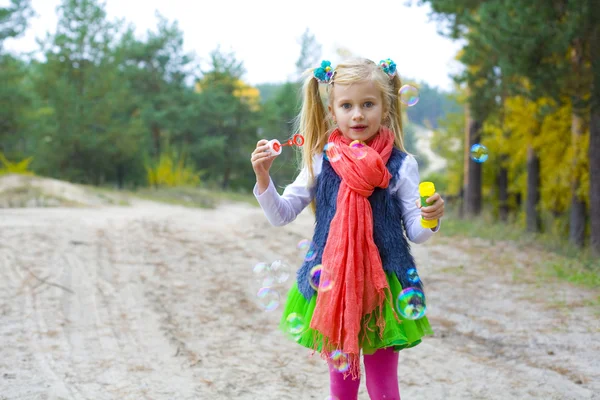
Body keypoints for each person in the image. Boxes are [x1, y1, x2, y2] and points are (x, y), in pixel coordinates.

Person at [250, 58, 445, 400]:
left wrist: (430, 217)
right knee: (341, 389)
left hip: (386, 285)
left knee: (384, 388)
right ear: (332, 109)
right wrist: (264, 177)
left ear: (385, 109)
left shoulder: (402, 164)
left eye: (368, 104)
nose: (357, 114)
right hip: (334, 285)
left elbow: (416, 231)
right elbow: (280, 215)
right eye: (347, 105)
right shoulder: (319, 159)